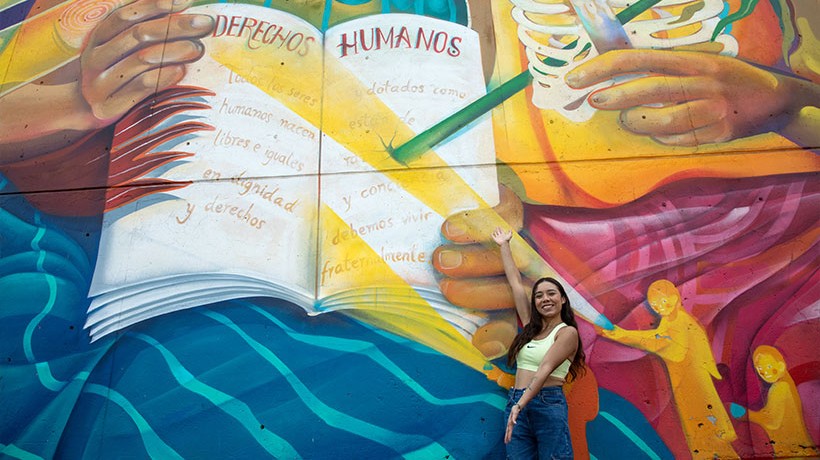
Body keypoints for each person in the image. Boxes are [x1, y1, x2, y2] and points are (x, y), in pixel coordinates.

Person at [491, 227, 585, 459]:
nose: (545, 299)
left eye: (551, 293)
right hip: (517, 401)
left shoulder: (567, 333)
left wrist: (520, 405)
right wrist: (504, 245)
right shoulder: (530, 328)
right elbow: (515, 284)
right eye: (539, 295)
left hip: (546, 402)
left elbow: (544, 368)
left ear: (562, 299)